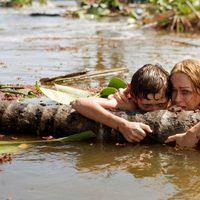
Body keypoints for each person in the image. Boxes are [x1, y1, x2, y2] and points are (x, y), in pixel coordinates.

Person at [71, 64, 171, 143]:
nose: (154, 110)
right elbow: (78, 103)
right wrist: (122, 125)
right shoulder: (126, 102)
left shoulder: (172, 103)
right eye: (146, 105)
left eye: (160, 104)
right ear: (133, 95)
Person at [164, 58, 200, 148]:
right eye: (173, 90)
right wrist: (122, 124)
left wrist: (193, 133)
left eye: (185, 92)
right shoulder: (165, 104)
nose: (177, 99)